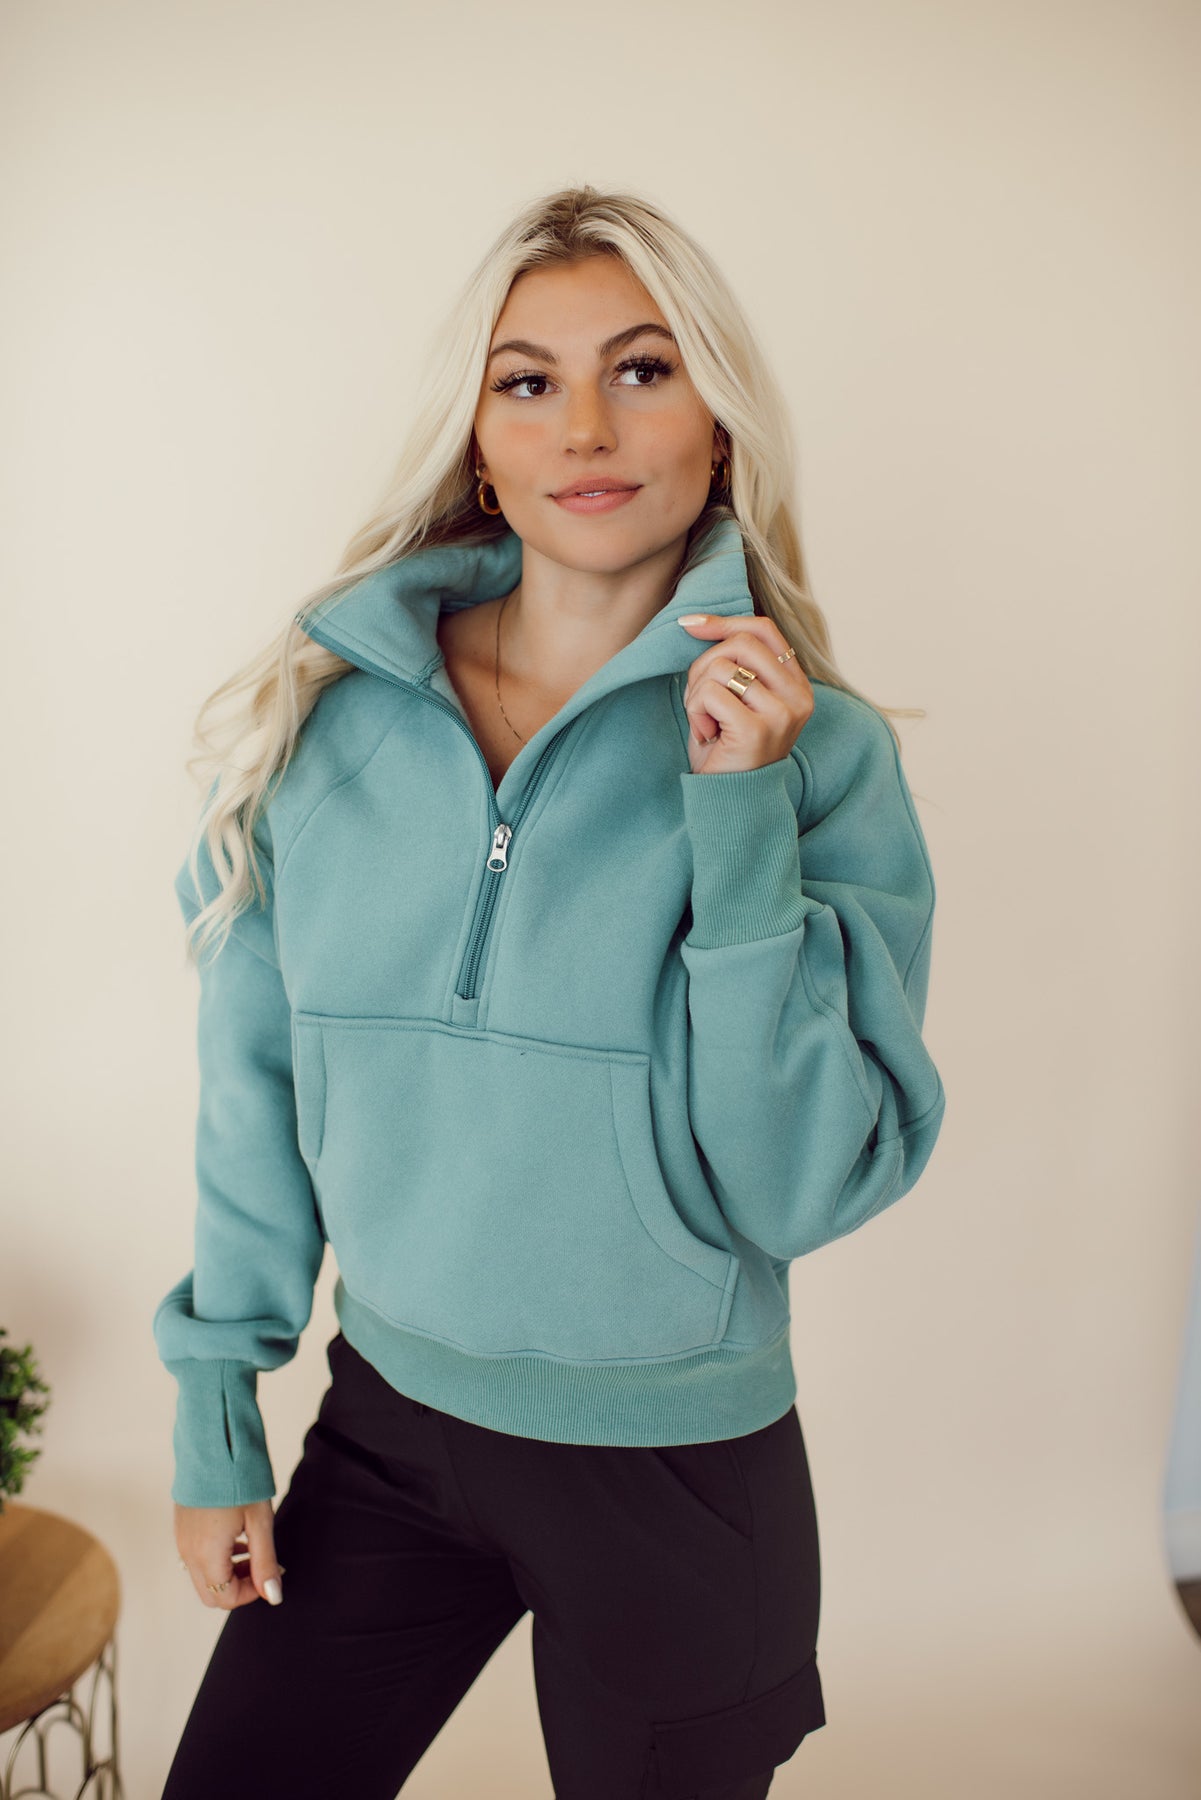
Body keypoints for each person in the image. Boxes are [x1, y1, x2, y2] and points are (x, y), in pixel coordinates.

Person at [153, 183, 946, 1800]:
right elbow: (254, 1085)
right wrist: (216, 1400)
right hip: (385, 1432)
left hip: (676, 1471)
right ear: (479, 440)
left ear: (719, 426)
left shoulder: (823, 759)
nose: (585, 425)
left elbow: (797, 1186)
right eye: (529, 380)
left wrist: (737, 816)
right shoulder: (328, 721)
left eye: (642, 369)